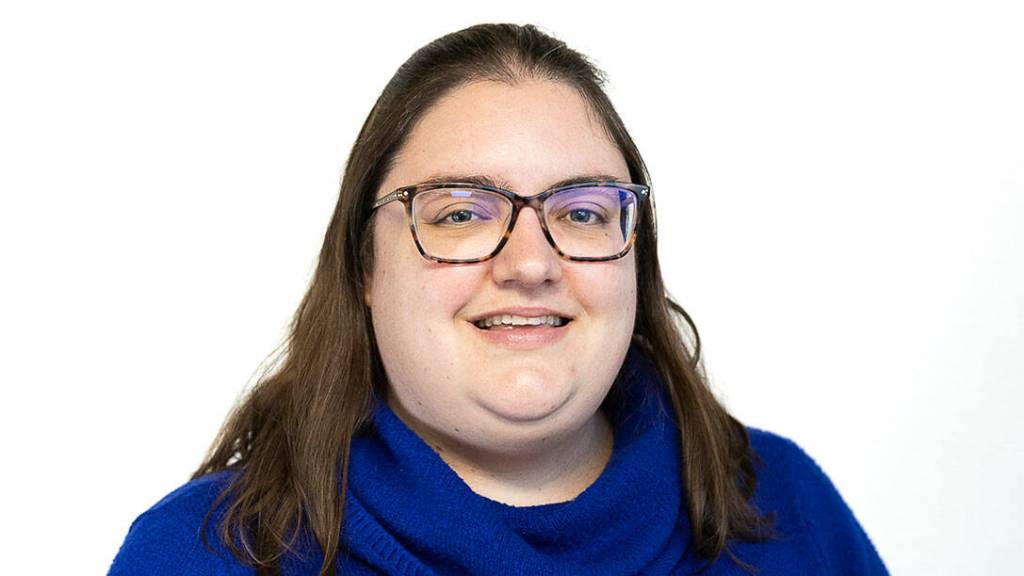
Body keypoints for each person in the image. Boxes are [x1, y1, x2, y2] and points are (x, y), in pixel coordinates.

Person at [108, 23, 888, 575]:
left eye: (581, 212)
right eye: (459, 214)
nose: (531, 263)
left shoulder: (788, 508)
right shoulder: (202, 555)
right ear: (364, 266)